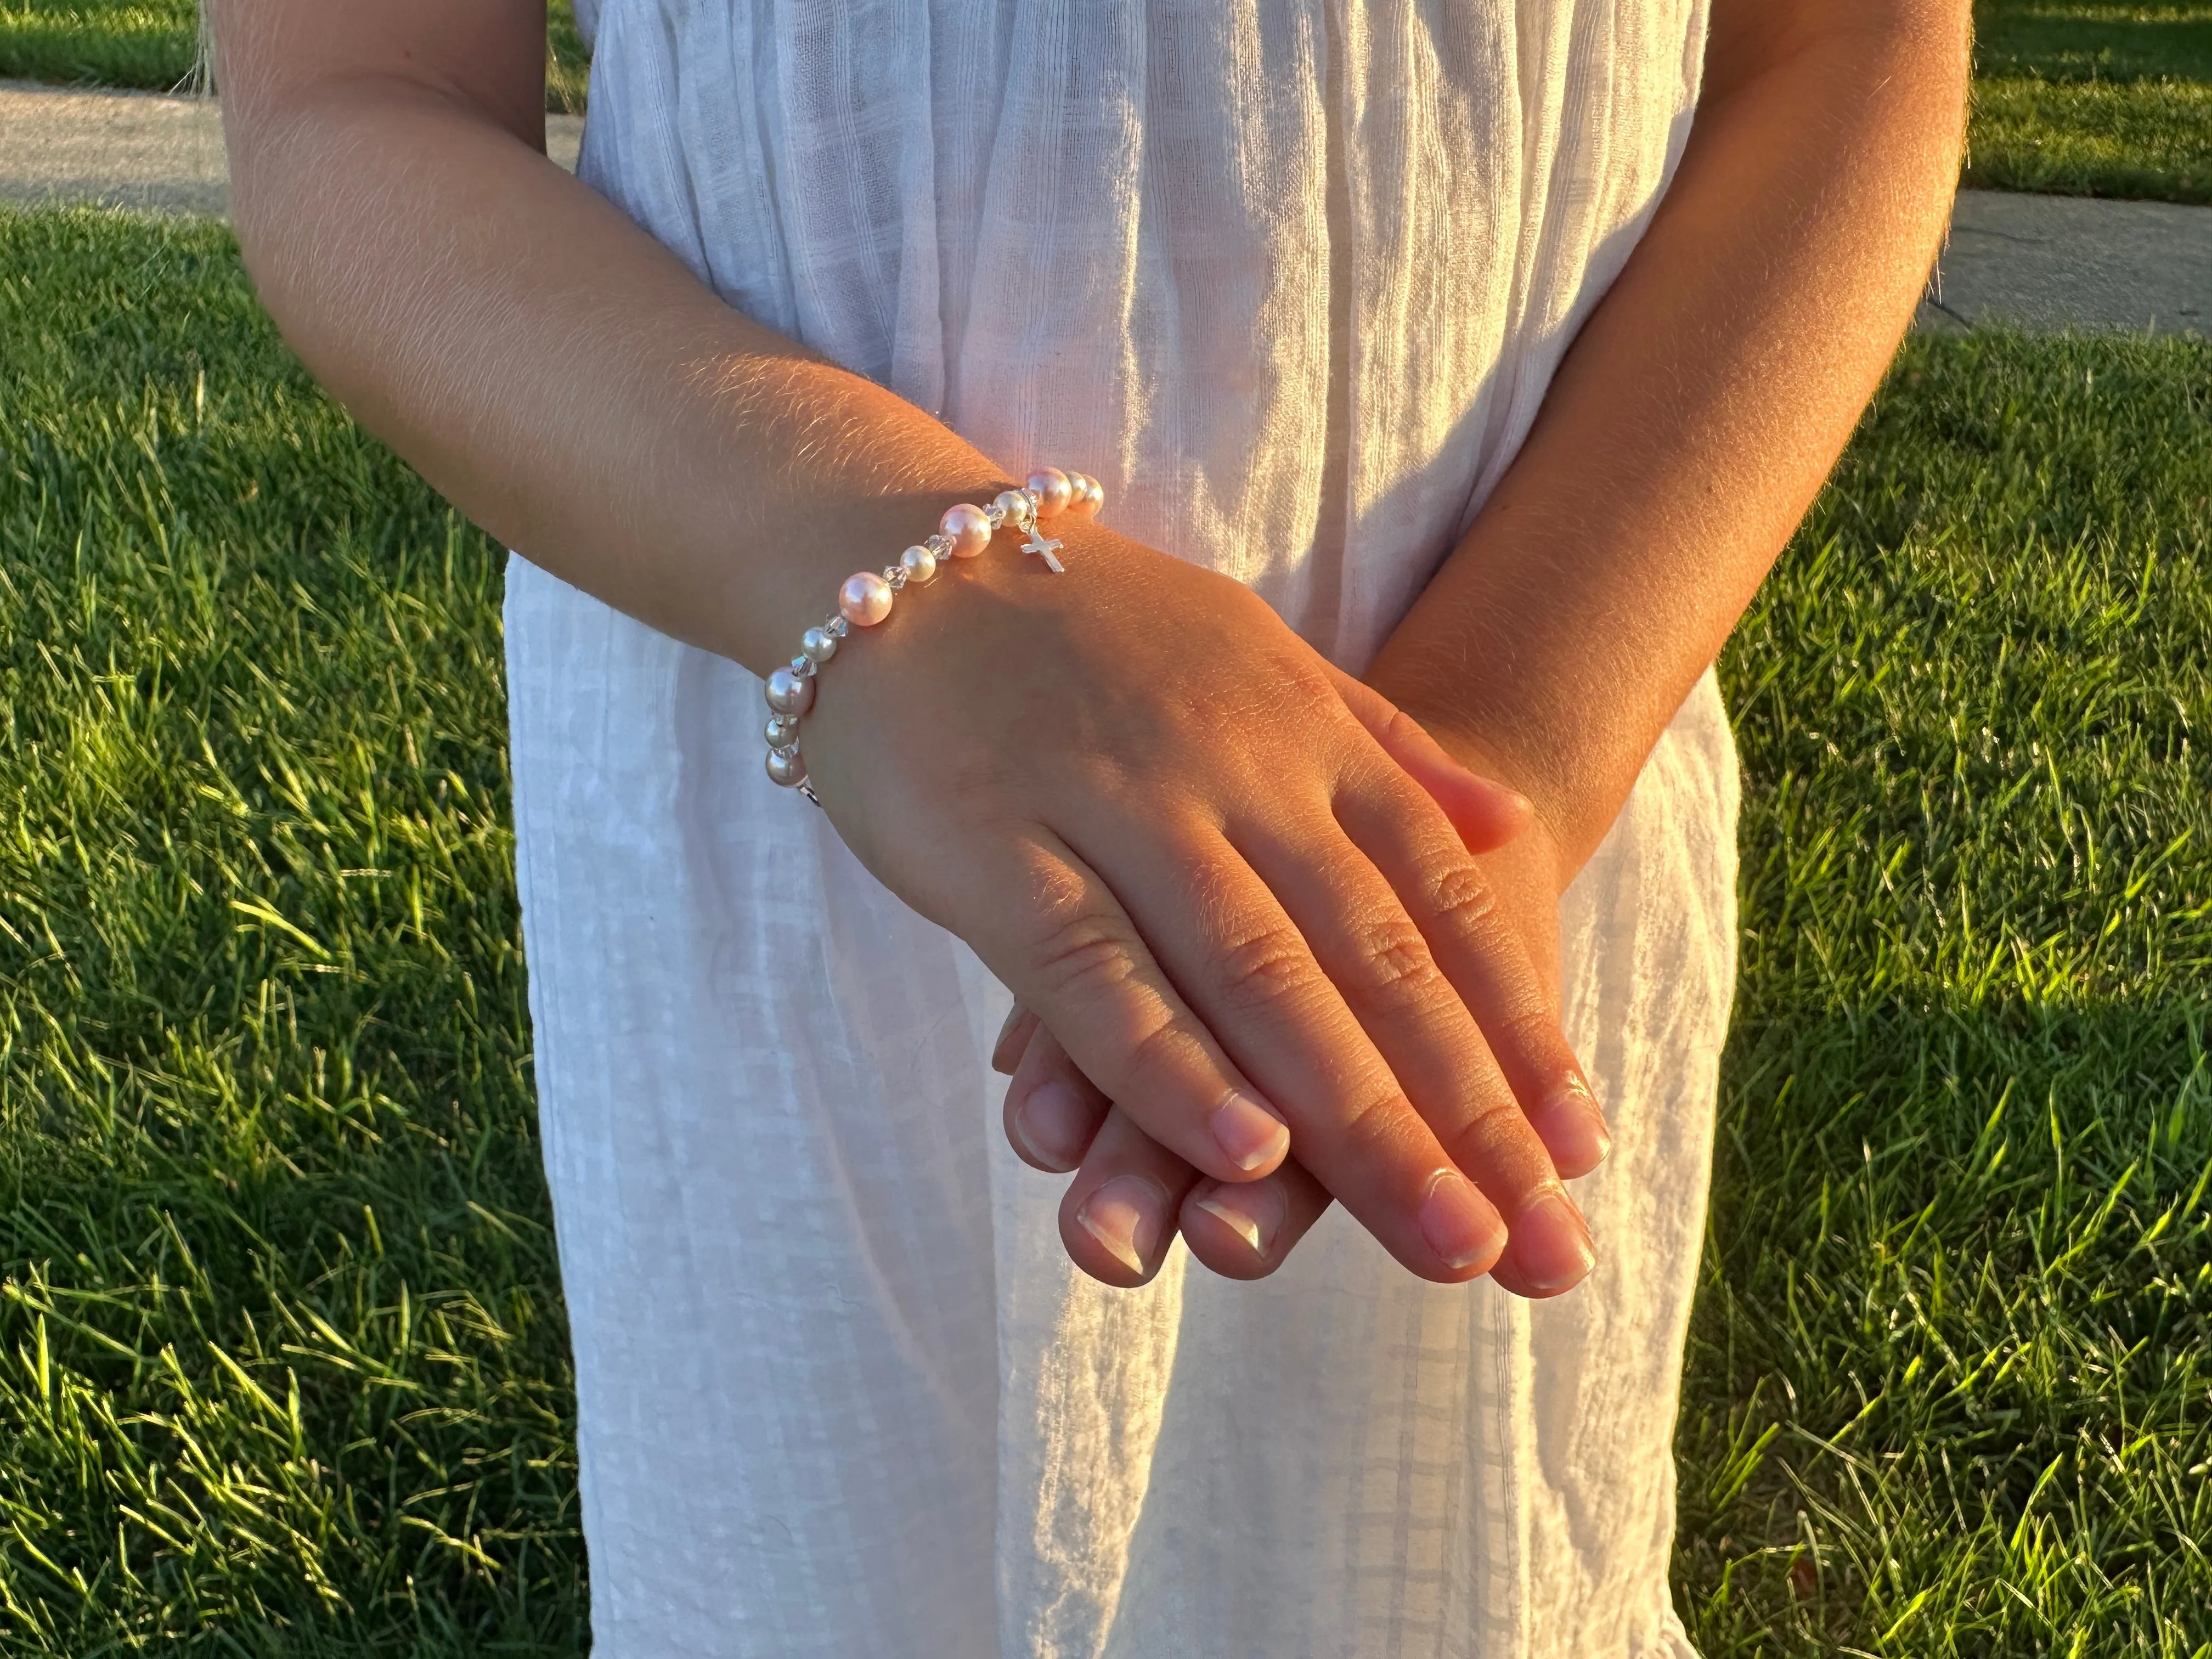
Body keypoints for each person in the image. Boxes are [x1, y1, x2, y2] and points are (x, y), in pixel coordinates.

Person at [212, 0, 1966, 1651]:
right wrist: (916, 590)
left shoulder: (1475, 805)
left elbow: (1845, 43)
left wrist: (1488, 761)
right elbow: (360, 98)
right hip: (805, 747)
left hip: (1517, 761)